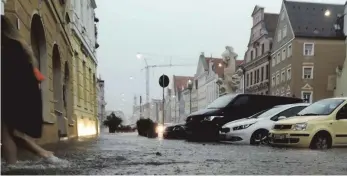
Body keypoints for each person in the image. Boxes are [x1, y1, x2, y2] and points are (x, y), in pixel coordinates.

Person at [1, 15, 66, 165]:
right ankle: (12, 165)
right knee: (9, 133)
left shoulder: (10, 47)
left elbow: (9, 75)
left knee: (10, 133)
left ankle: (43, 154)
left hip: (13, 95)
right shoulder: (17, 46)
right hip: (20, 94)